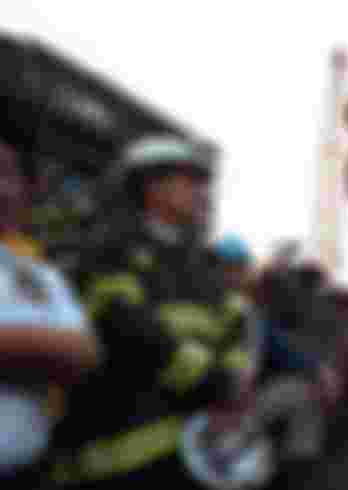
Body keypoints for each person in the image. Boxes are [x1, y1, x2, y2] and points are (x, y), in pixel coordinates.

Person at [49, 136, 256, 490]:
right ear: (152, 187)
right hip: (118, 452)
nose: (200, 192)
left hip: (193, 448)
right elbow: (126, 330)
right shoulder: (108, 250)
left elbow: (235, 326)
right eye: (189, 181)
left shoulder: (202, 266)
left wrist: (234, 377)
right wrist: (212, 381)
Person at [0, 141, 101, 489]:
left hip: (29, 471)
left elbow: (85, 353)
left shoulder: (42, 274)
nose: (3, 188)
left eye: (8, 173)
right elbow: (64, 352)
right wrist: (44, 353)